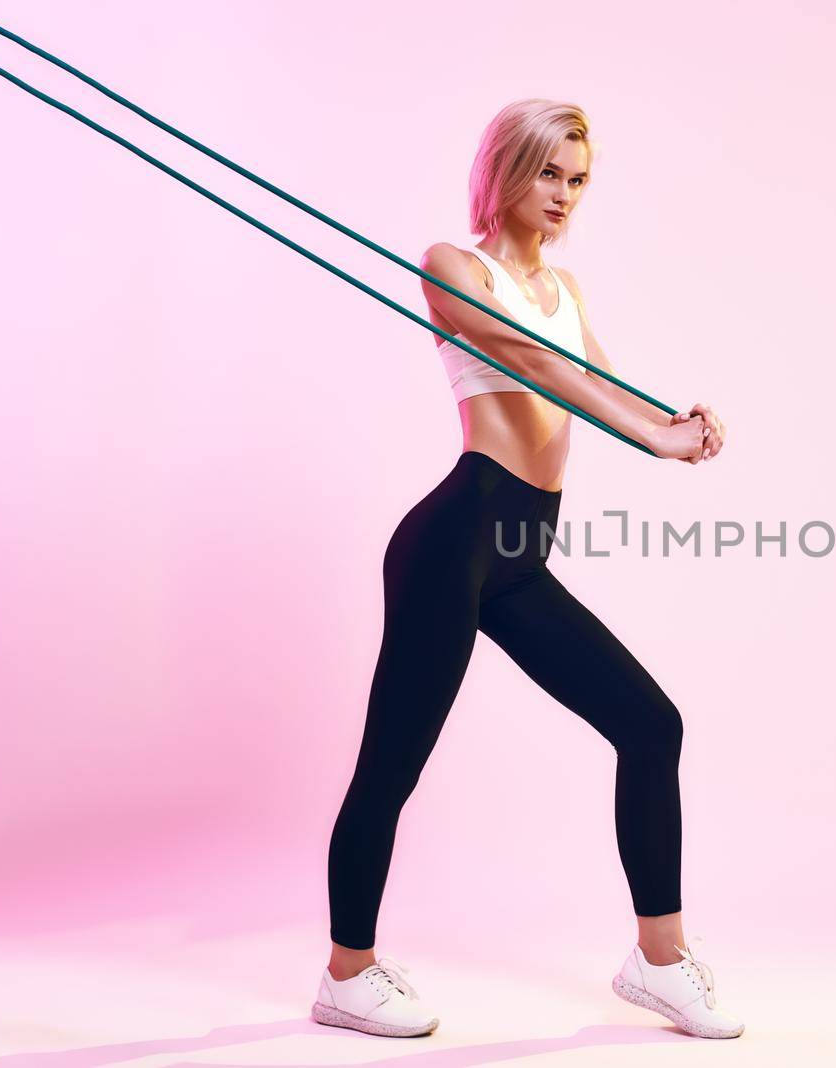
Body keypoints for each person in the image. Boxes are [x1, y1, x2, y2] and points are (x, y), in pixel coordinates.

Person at [309, 98, 742, 1041]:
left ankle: (657, 962)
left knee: (650, 725)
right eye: (549, 173)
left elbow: (600, 389)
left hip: (517, 554)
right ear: (507, 170)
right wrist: (655, 441)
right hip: (452, 542)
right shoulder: (451, 267)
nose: (564, 196)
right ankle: (347, 973)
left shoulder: (565, 290)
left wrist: (675, 430)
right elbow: (537, 368)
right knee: (391, 768)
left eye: (578, 180)